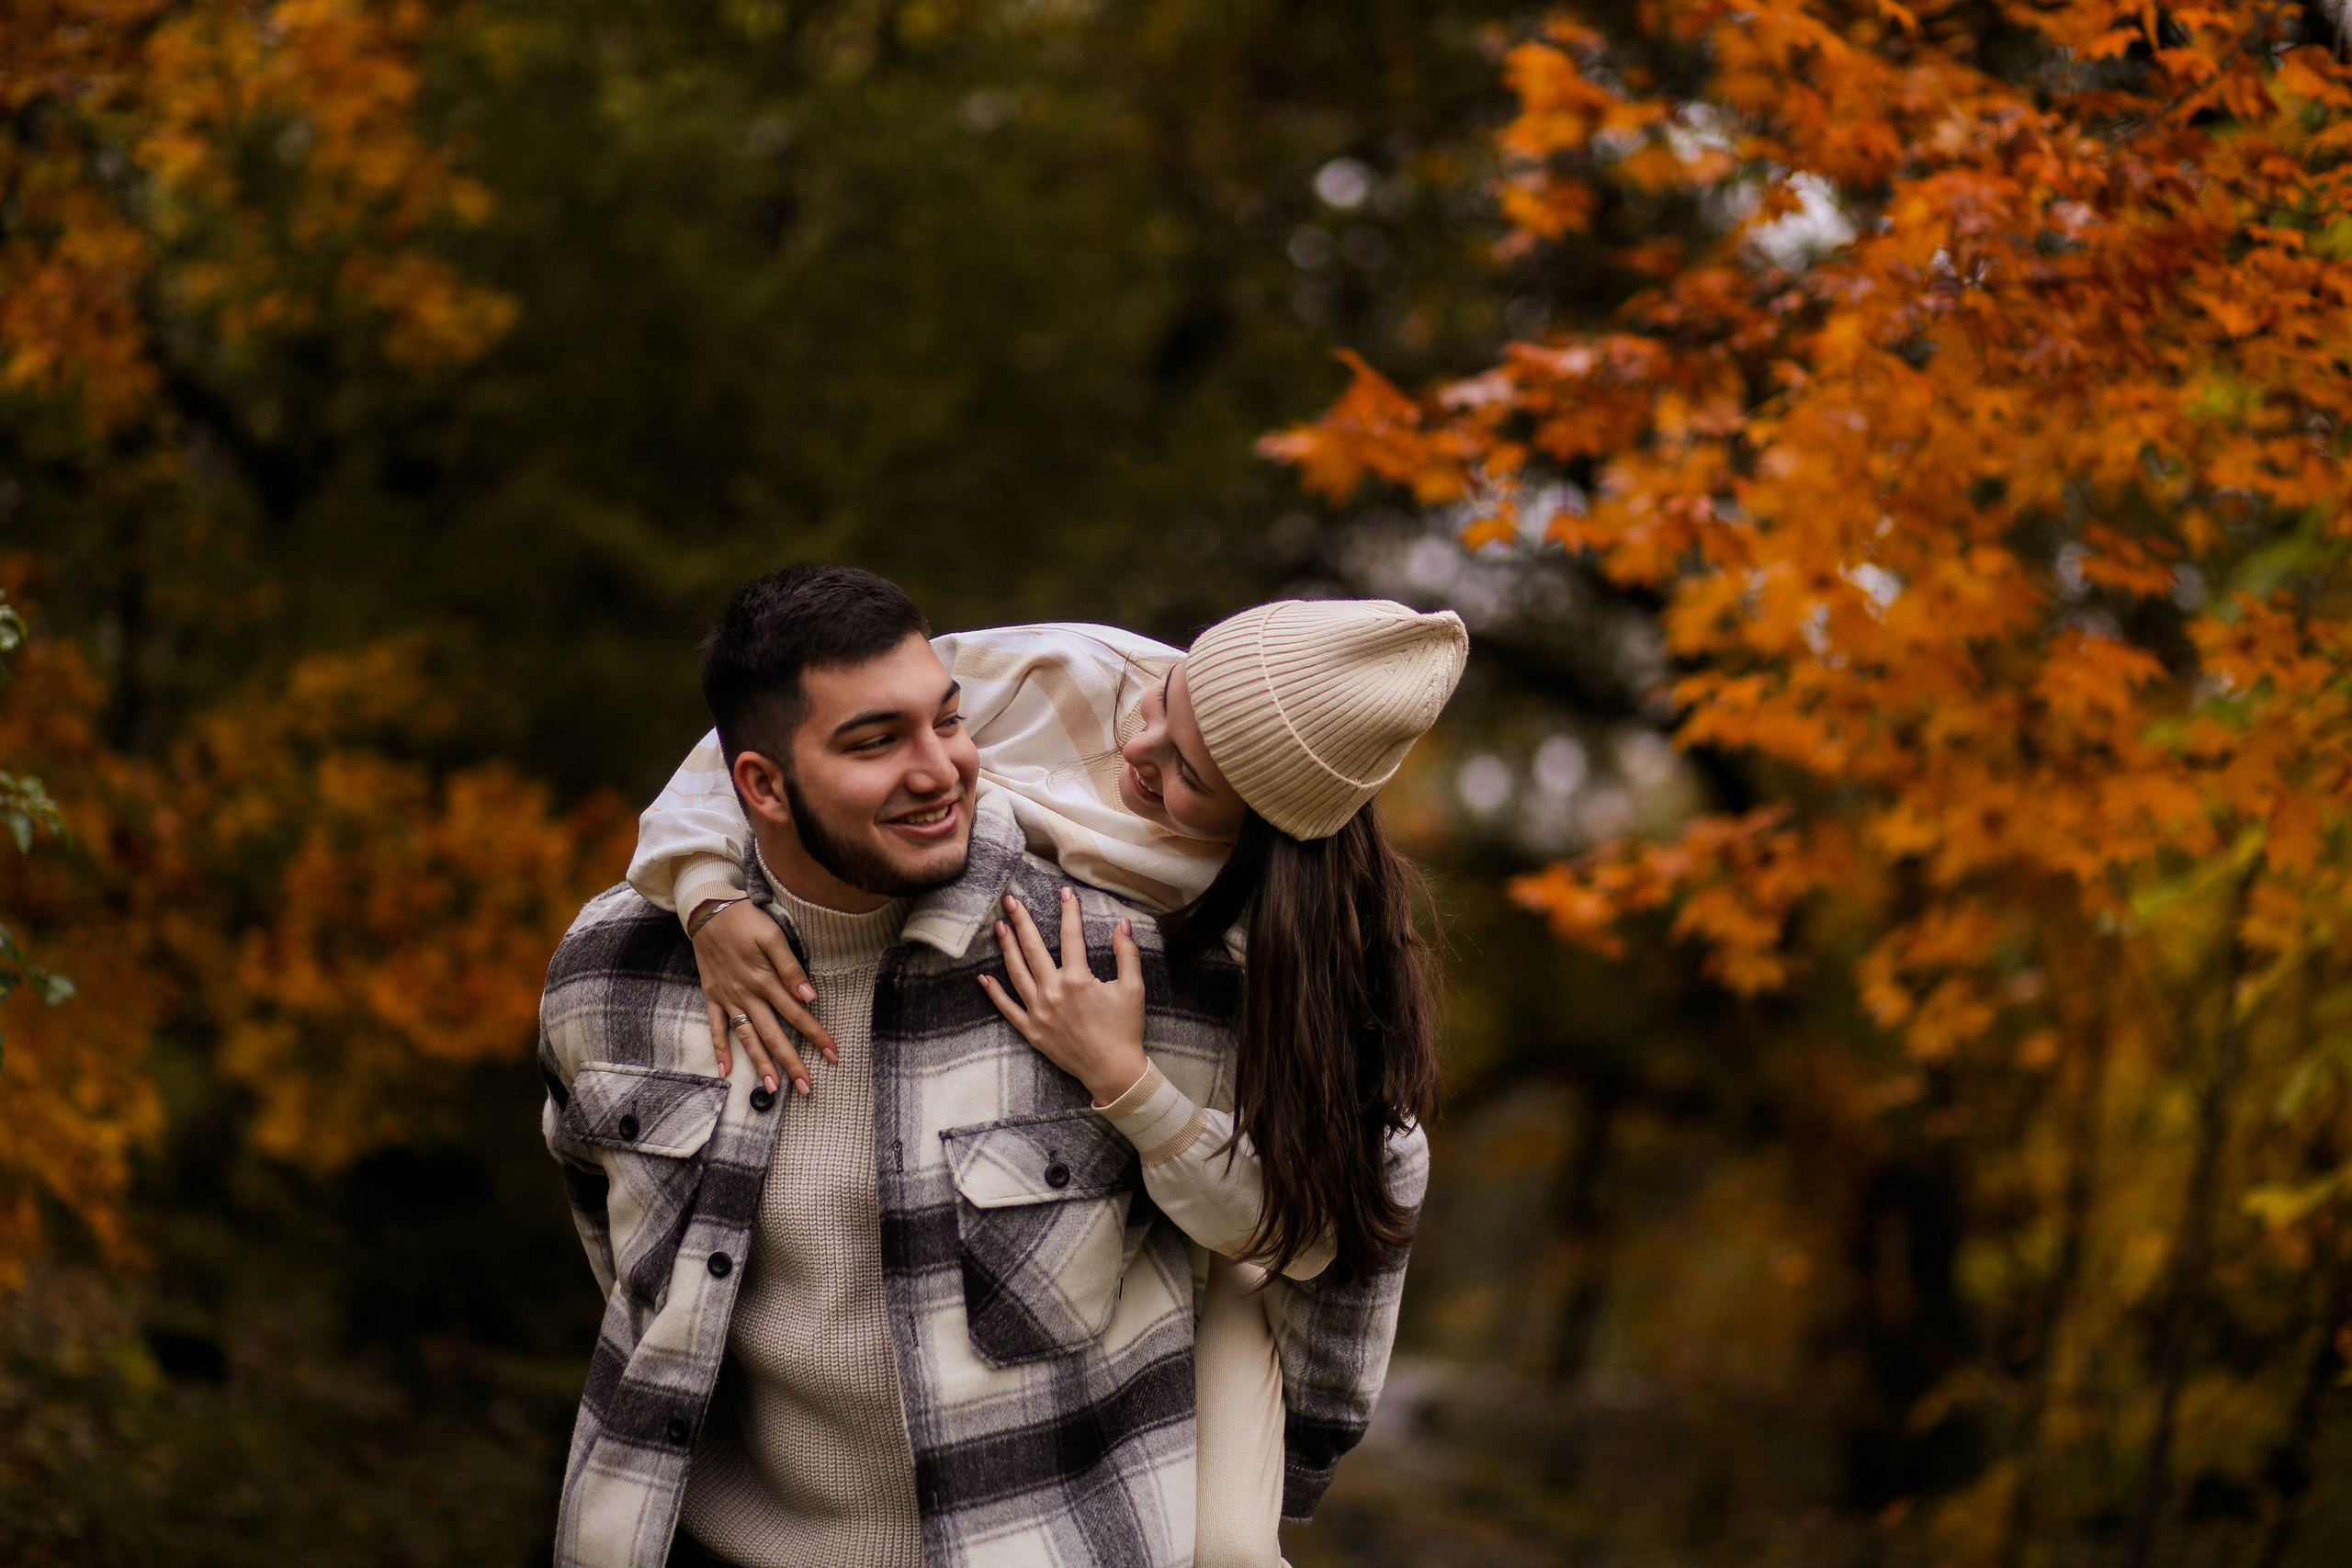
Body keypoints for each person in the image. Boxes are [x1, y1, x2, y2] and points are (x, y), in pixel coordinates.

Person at [540, 567, 1437, 1568]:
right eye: (880, 742)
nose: (942, 769)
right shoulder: (616, 970)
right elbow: (625, 1258)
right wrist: (706, 895)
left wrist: (1133, 1089)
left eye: (945, 727)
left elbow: (1356, 1197)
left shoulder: (1158, 964)